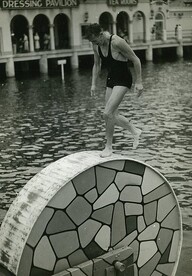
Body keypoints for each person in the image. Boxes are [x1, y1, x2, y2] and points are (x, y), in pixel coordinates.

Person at [86, 23, 143, 158]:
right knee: (113, 116)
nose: (95, 44)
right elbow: (97, 64)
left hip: (123, 78)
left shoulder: (117, 42)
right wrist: (93, 84)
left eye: (95, 40)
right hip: (111, 79)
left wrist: (139, 81)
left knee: (107, 113)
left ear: (100, 34)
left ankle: (109, 147)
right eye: (92, 42)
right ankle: (135, 131)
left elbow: (136, 59)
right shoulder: (96, 44)